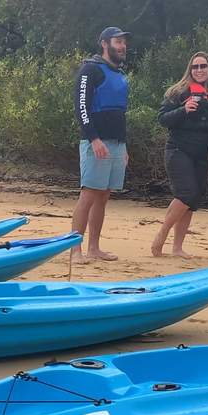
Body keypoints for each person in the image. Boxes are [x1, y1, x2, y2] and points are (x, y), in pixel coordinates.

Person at [151, 52, 208, 257]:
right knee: (186, 192)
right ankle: (161, 235)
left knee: (192, 201)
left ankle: (177, 248)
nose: (199, 70)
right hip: (178, 150)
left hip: (201, 155)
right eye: (195, 67)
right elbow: (163, 119)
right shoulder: (178, 92)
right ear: (190, 69)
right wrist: (184, 109)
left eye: (203, 66)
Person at [70, 26, 131, 263]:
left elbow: (121, 112)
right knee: (89, 194)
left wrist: (124, 145)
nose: (122, 46)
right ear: (104, 43)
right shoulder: (89, 70)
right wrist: (93, 138)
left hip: (116, 143)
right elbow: (81, 107)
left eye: (124, 42)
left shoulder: (118, 73)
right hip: (95, 142)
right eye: (117, 41)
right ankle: (76, 250)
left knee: (103, 196)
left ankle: (94, 247)